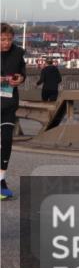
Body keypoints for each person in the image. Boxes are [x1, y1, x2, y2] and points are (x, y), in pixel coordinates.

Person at [1, 23, 27, 200]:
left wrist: (20, 78)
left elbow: (23, 72)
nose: (6, 43)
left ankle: (1, 180)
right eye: (3, 39)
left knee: (7, 140)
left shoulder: (18, 53)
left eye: (9, 39)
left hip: (9, 103)